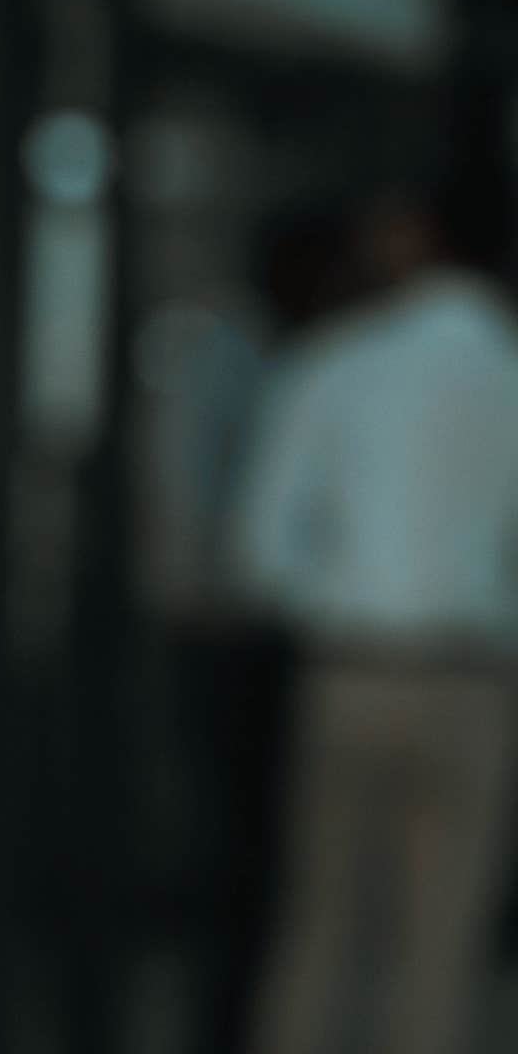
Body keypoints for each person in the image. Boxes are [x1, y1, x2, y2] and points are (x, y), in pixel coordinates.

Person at [233, 186, 518, 1054]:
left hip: (350, 672)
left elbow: (259, 550)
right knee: (441, 946)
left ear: (411, 241)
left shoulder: (338, 365)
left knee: (322, 929)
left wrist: (356, 597)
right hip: (474, 680)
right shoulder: (506, 371)